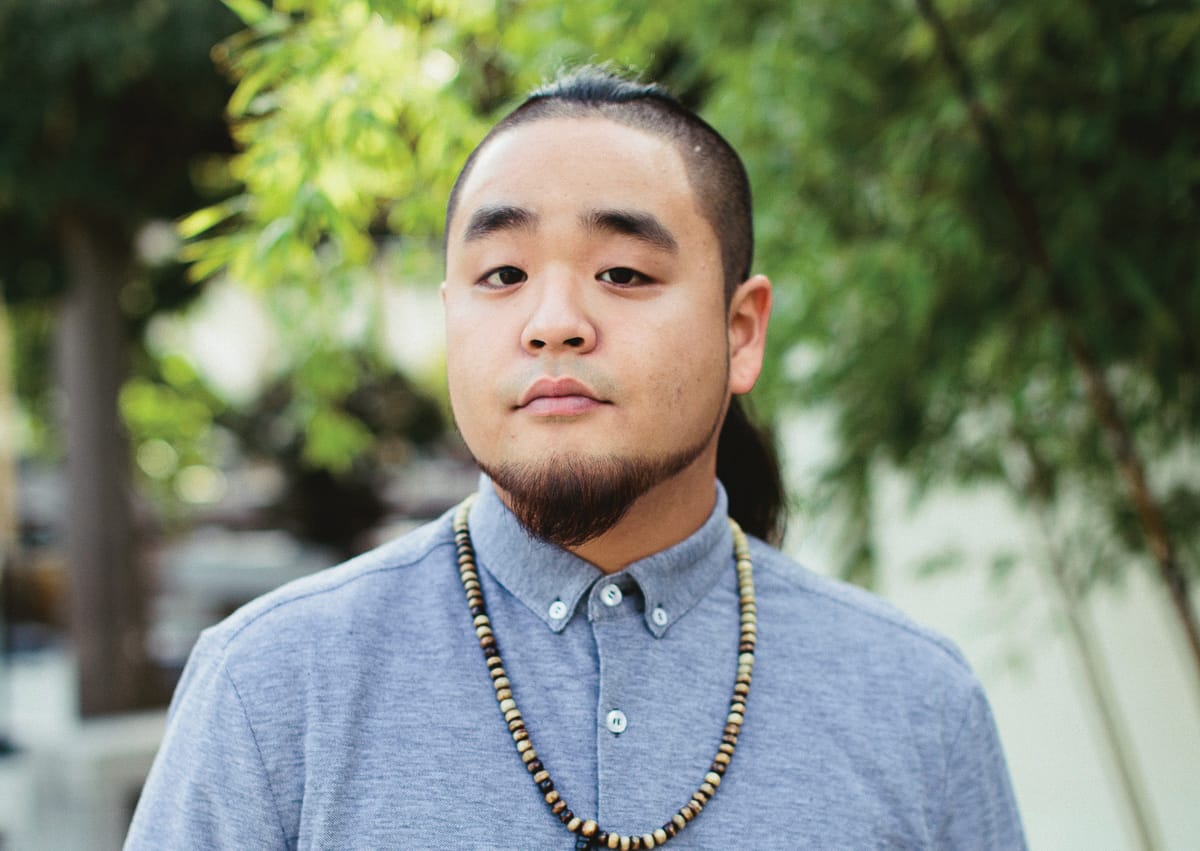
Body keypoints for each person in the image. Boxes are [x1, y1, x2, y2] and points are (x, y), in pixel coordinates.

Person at [126, 66, 1026, 849]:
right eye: (503, 275)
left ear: (741, 331)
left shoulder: (914, 700)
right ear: (451, 318)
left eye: (623, 273)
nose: (552, 321)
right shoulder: (275, 683)